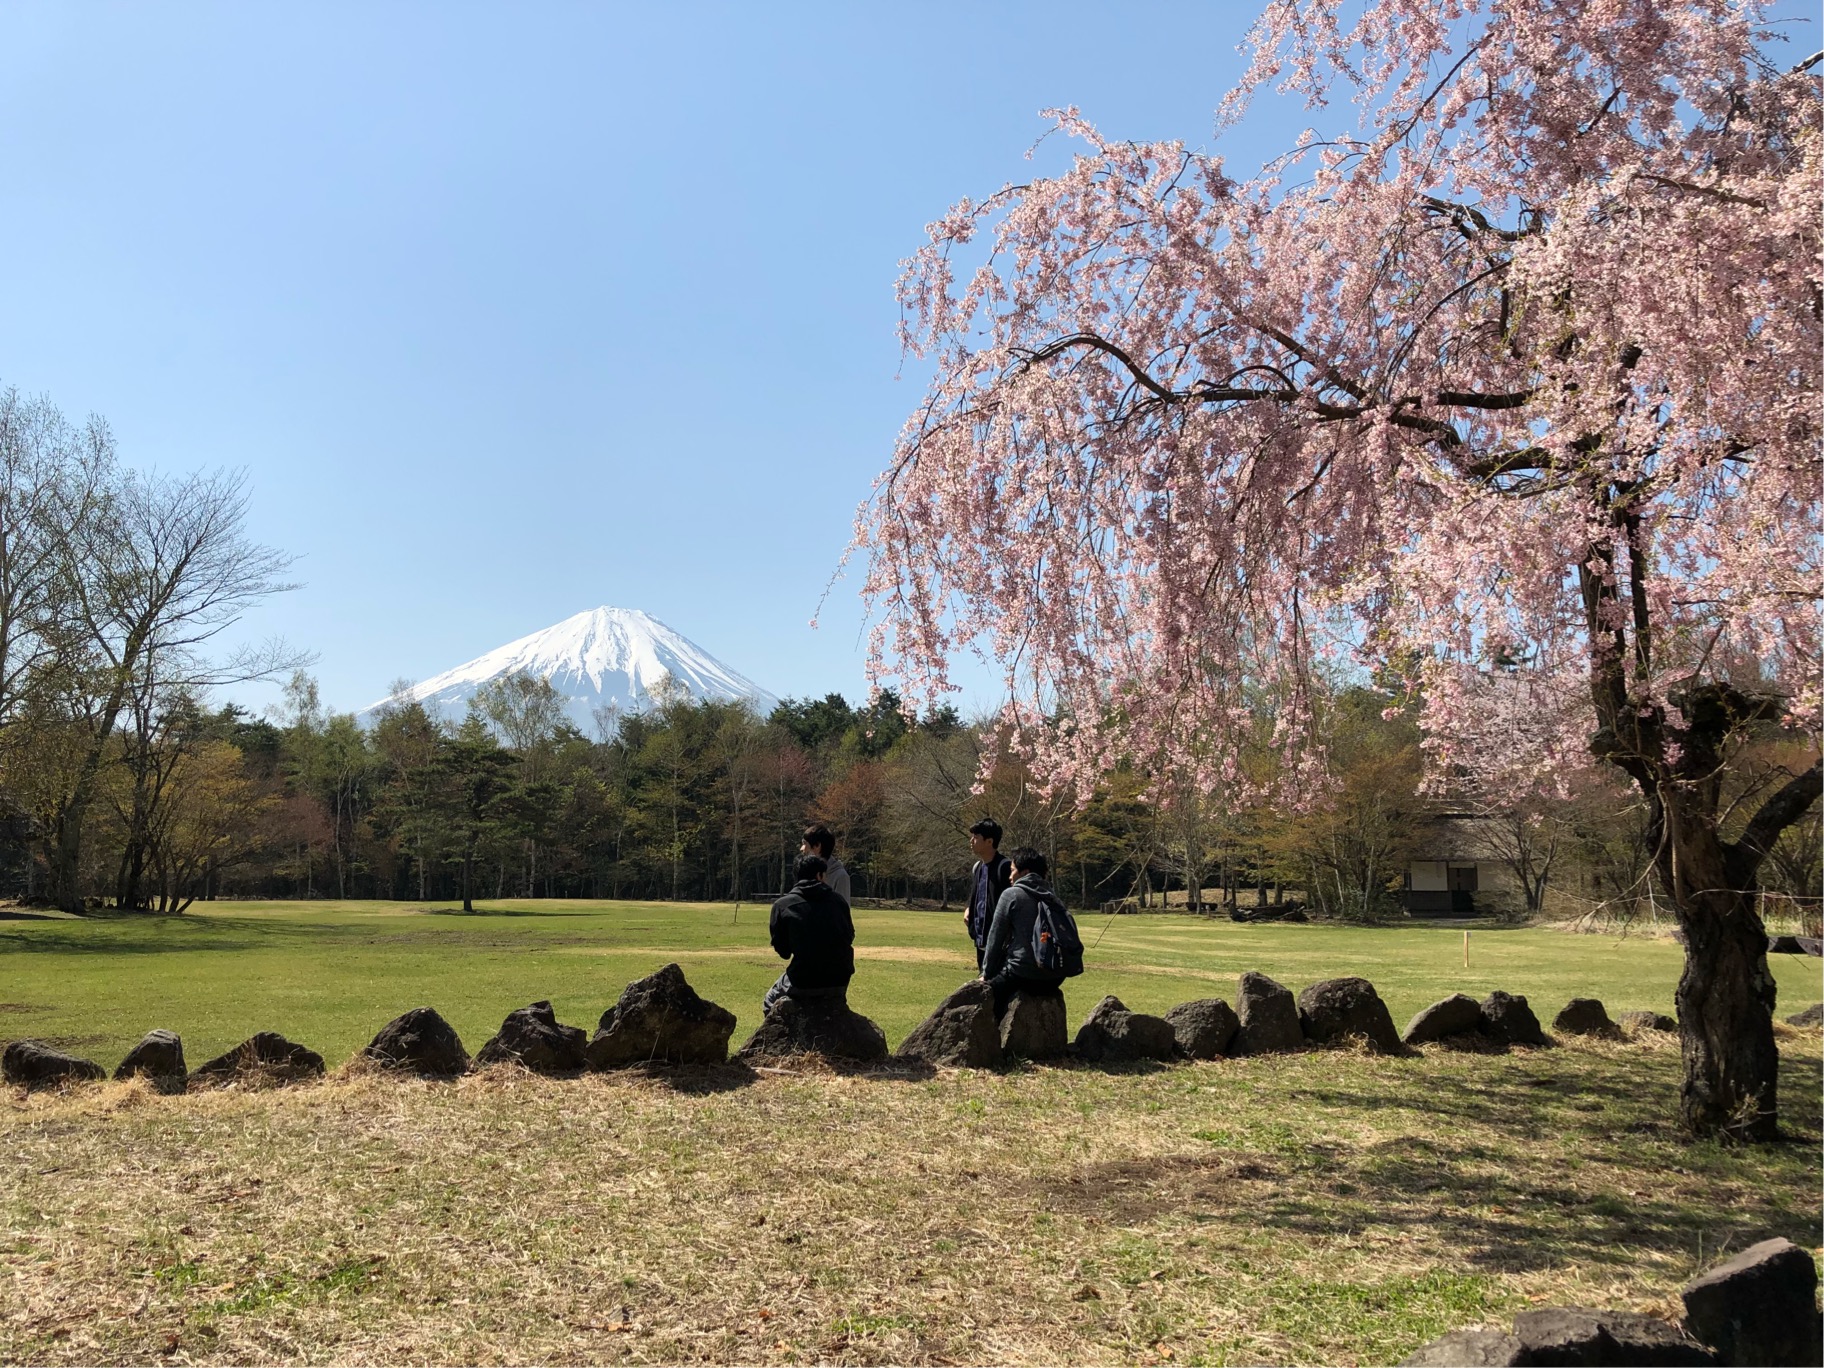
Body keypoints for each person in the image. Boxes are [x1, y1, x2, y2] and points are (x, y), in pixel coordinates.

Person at [762, 852, 856, 1016]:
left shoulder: (783, 906)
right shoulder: (839, 902)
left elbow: (784, 952)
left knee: (770, 1001)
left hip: (803, 980)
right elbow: (849, 936)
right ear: (820, 875)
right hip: (840, 979)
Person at [979, 847, 1068, 1015]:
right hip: (1055, 976)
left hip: (1022, 973)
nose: (1009, 876)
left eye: (1012, 871)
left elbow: (995, 938)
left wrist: (986, 974)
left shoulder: (1011, 895)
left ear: (1025, 872)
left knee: (986, 1001)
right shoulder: (1053, 896)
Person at [964, 818, 1012, 971]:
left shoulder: (1004, 868)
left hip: (1000, 944)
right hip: (980, 940)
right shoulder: (978, 867)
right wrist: (968, 909)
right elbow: (977, 897)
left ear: (989, 841)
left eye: (976, 837)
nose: (971, 841)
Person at [800, 824, 851, 905]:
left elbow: (843, 913)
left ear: (817, 845)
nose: (802, 849)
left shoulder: (840, 876)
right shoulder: (805, 872)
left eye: (805, 843)